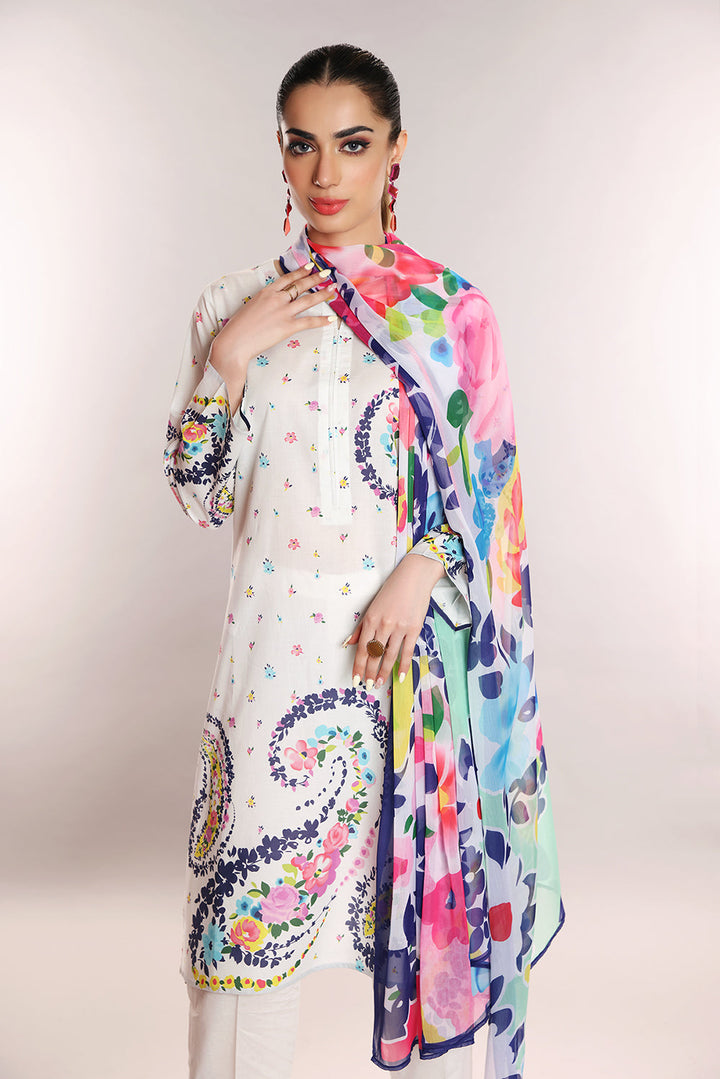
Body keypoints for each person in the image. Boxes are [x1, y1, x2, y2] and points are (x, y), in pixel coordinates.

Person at [164, 43, 564, 1079]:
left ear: (395, 150)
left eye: (351, 144)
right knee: (241, 948)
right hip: (271, 668)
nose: (325, 173)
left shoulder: (452, 313)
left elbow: (488, 491)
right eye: (302, 145)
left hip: (408, 673)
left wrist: (422, 567)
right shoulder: (232, 303)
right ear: (280, 155)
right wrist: (228, 360)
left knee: (431, 940)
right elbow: (200, 497)